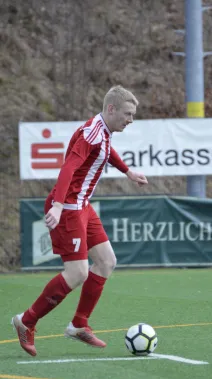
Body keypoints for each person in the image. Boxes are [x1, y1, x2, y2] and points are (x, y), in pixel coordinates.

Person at [12, 85, 148, 357]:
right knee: (78, 272)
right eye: (127, 114)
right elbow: (68, 168)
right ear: (111, 109)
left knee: (107, 261)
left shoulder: (103, 131)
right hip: (69, 208)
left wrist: (128, 171)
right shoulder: (91, 134)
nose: (131, 120)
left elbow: (106, 152)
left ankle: (78, 324)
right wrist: (60, 205)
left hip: (82, 206)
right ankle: (26, 320)